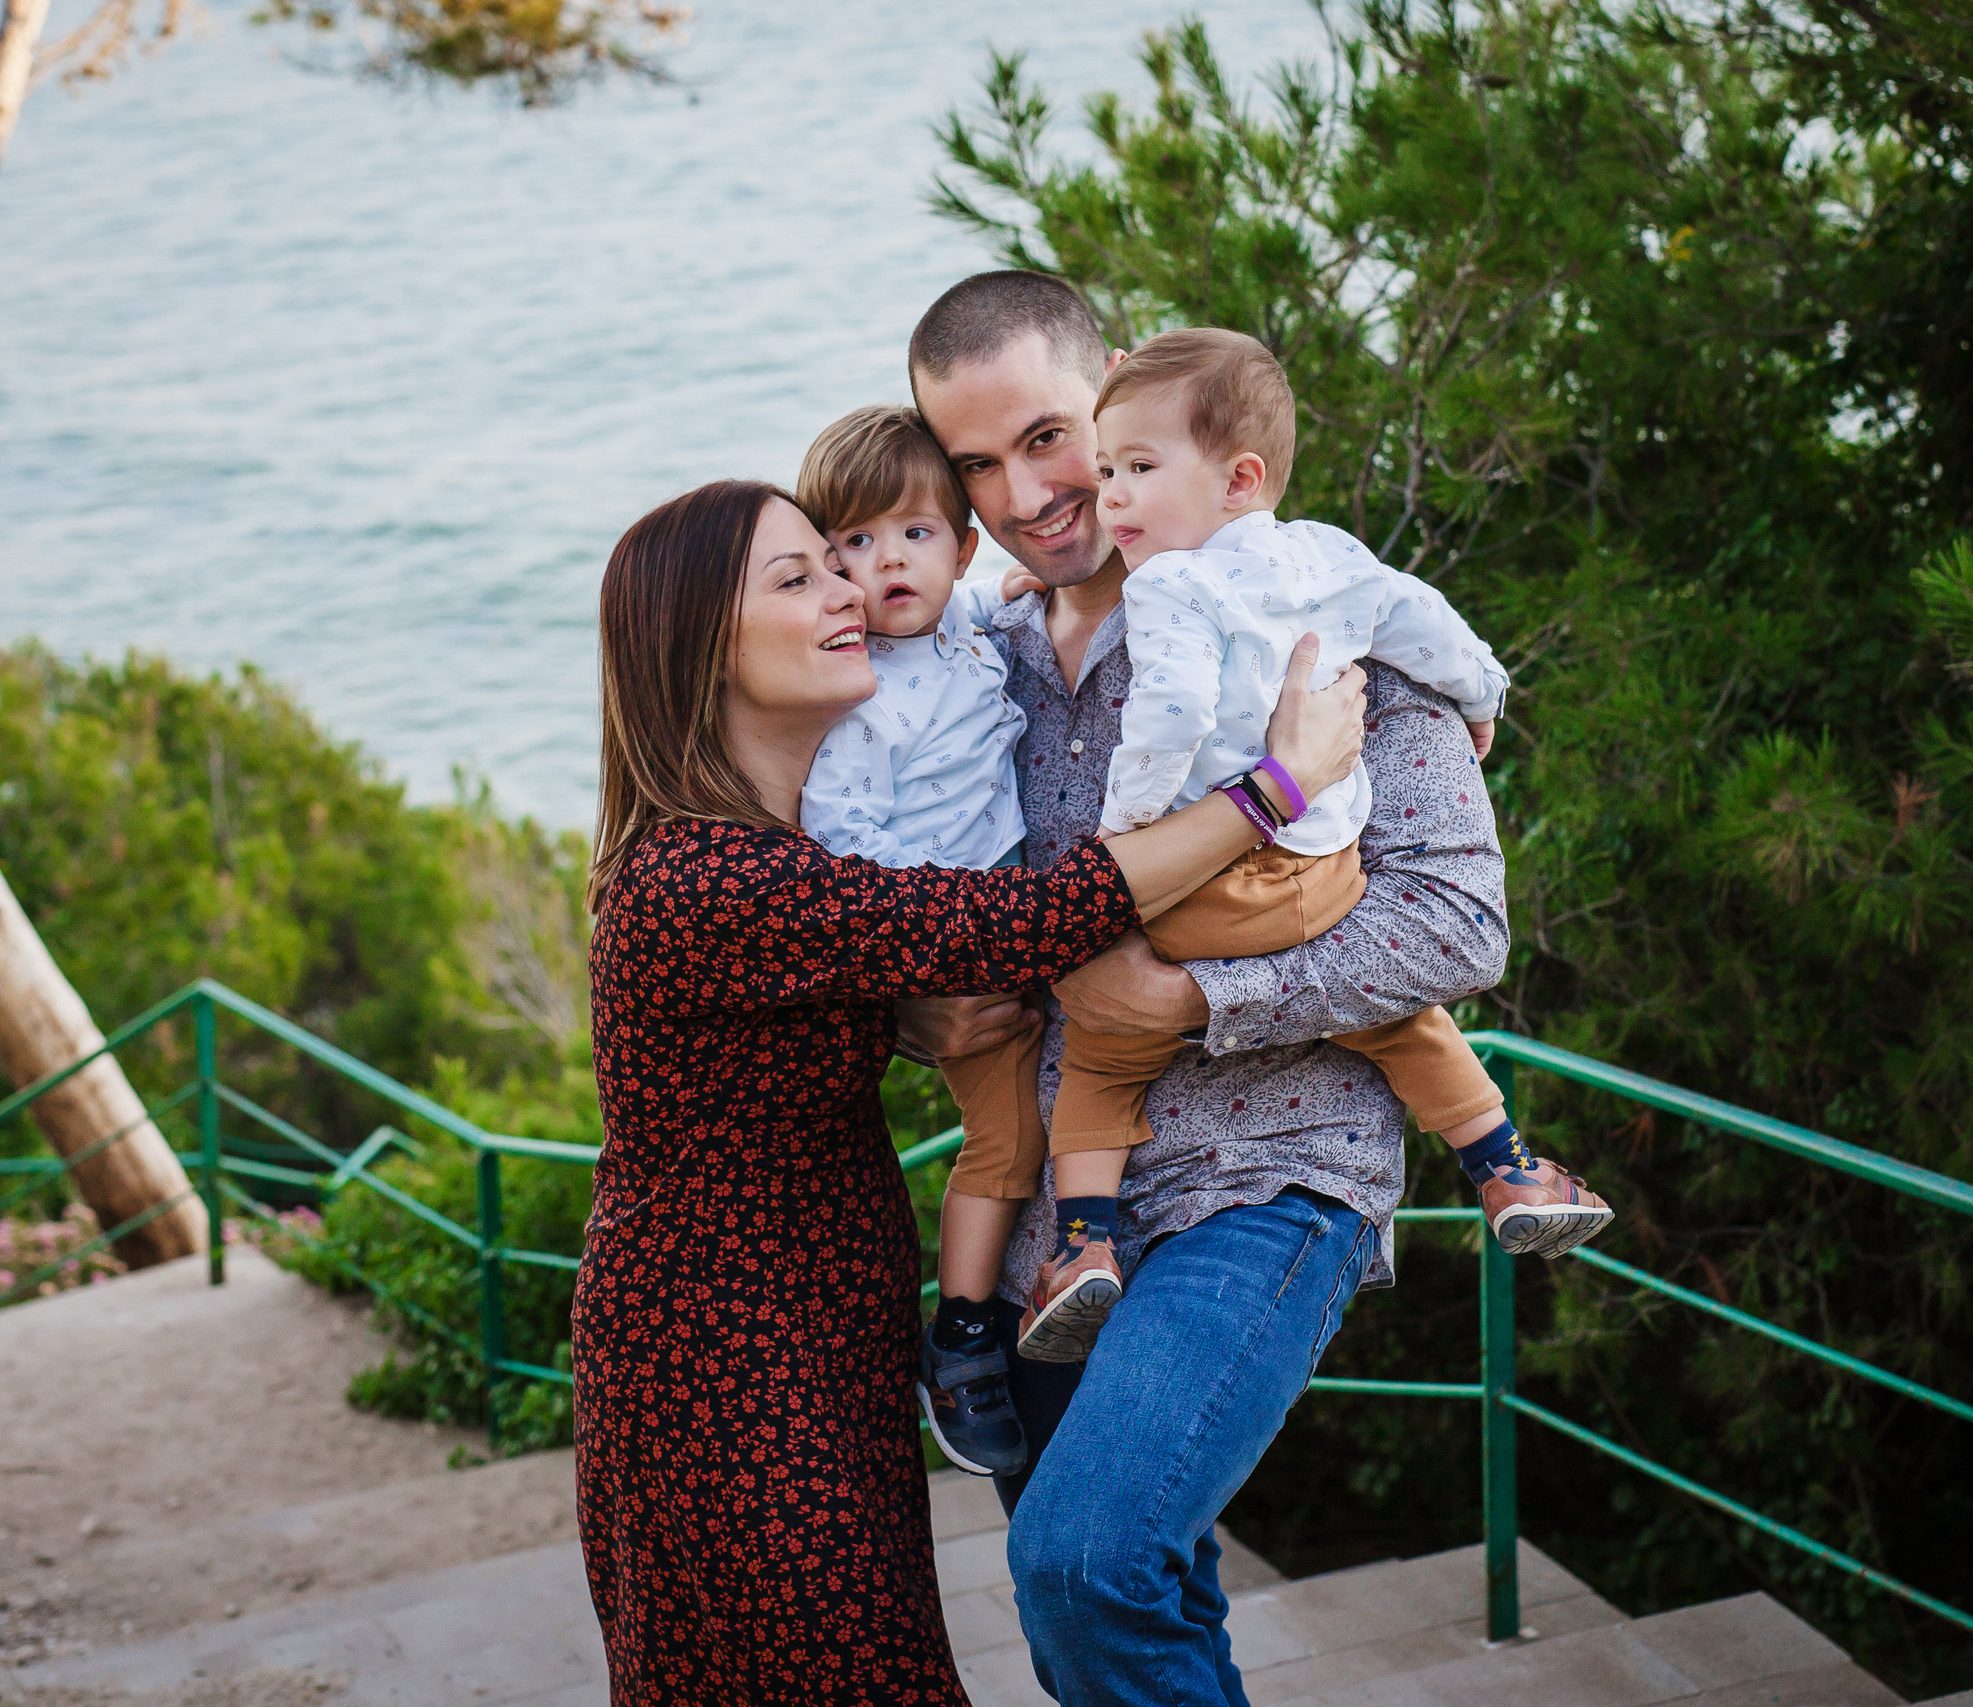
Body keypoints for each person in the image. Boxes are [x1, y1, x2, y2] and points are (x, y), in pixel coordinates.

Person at [570, 477, 1367, 1706]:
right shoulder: (707, 873)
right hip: (723, 1355)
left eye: (834, 560)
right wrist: (1275, 786)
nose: (845, 587)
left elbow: (814, 1003)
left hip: (812, 1325)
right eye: (798, 579)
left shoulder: (772, 847)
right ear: (698, 652)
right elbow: (1024, 922)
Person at [896, 270, 1529, 1707]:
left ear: (1116, 390)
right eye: (976, 465)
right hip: (1070, 1211)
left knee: (1087, 1559)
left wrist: (1192, 1004)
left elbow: (1457, 921)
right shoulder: (974, 656)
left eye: (1050, 437)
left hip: (1273, 1172)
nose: (1027, 496)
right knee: (1140, 1596)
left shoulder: (1311, 613)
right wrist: (914, 1005)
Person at [1034, 328, 1613, 1365]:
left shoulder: (1170, 584)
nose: (1108, 496)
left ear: (1239, 476)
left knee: (1100, 1059)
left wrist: (1125, 830)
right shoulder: (1332, 558)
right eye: (1106, 468)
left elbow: (1168, 712)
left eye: (1136, 470)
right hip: (1320, 880)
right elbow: (1426, 624)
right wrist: (1482, 699)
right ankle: (1508, 1169)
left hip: (1200, 893)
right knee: (1405, 1024)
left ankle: (1081, 1246)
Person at [788, 404, 1041, 1477]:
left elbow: (978, 600)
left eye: (915, 534)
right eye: (853, 541)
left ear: (963, 547)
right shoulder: (859, 700)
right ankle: (965, 1333)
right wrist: (927, 959)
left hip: (1025, 921)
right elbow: (846, 846)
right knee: (1008, 1141)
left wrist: (1024, 585)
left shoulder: (967, 624)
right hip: (957, 949)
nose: (886, 559)